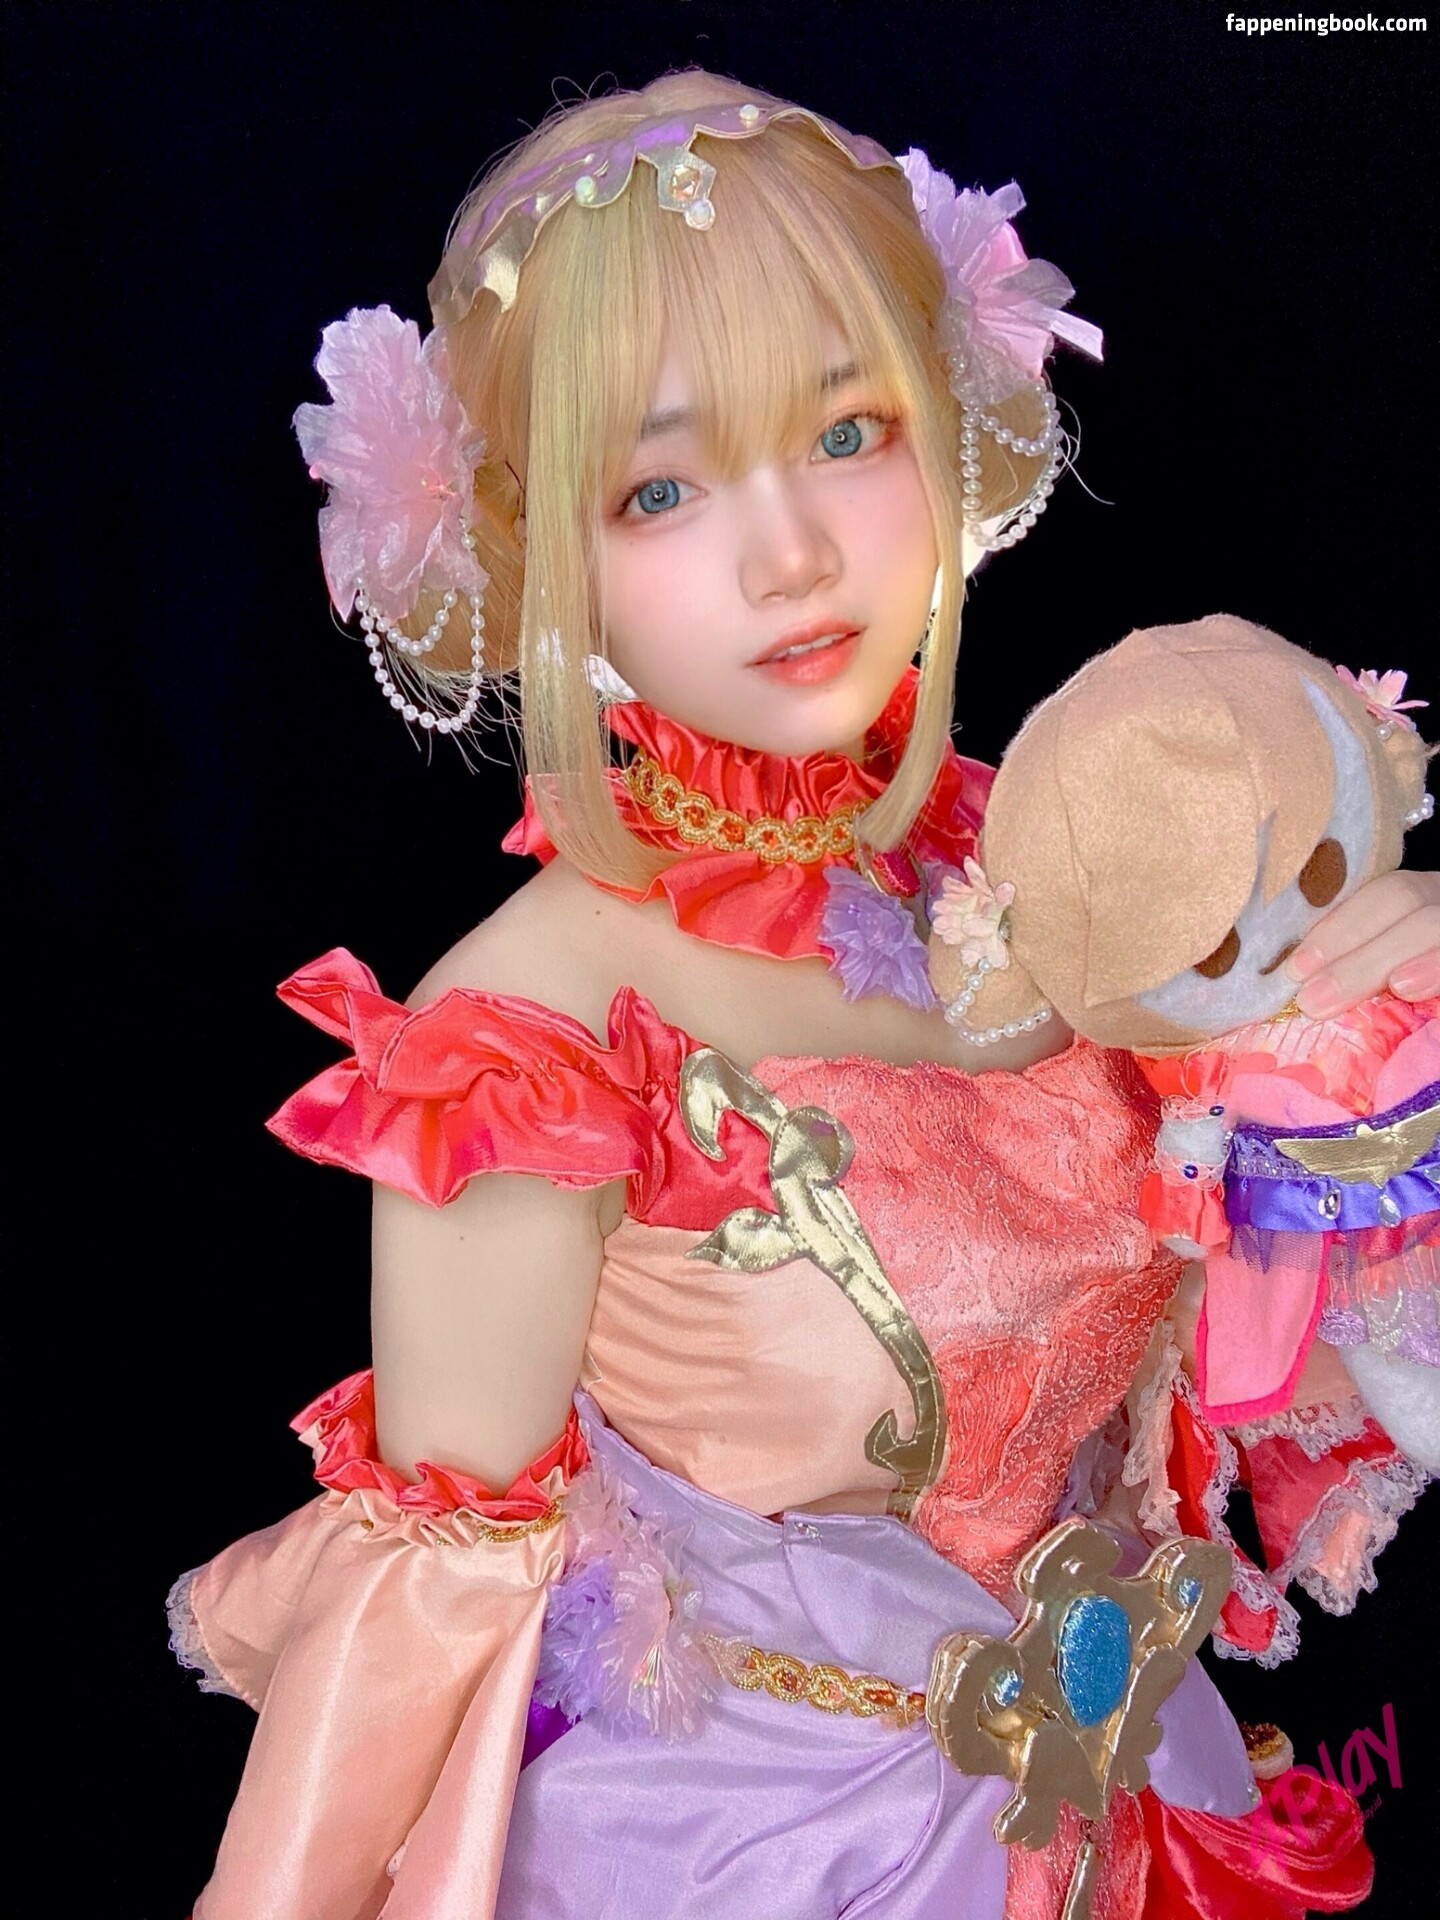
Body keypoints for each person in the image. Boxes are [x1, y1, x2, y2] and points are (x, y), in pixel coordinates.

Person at [168, 70, 1437, 1920]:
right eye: (663, 487)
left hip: (1142, 1811)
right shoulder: (521, 1051)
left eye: (848, 431)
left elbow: (1318, 1326)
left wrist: (1385, 1050)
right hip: (748, 1866)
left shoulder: (1062, 861)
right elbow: (426, 1634)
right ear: (537, 552)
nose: (790, 554)